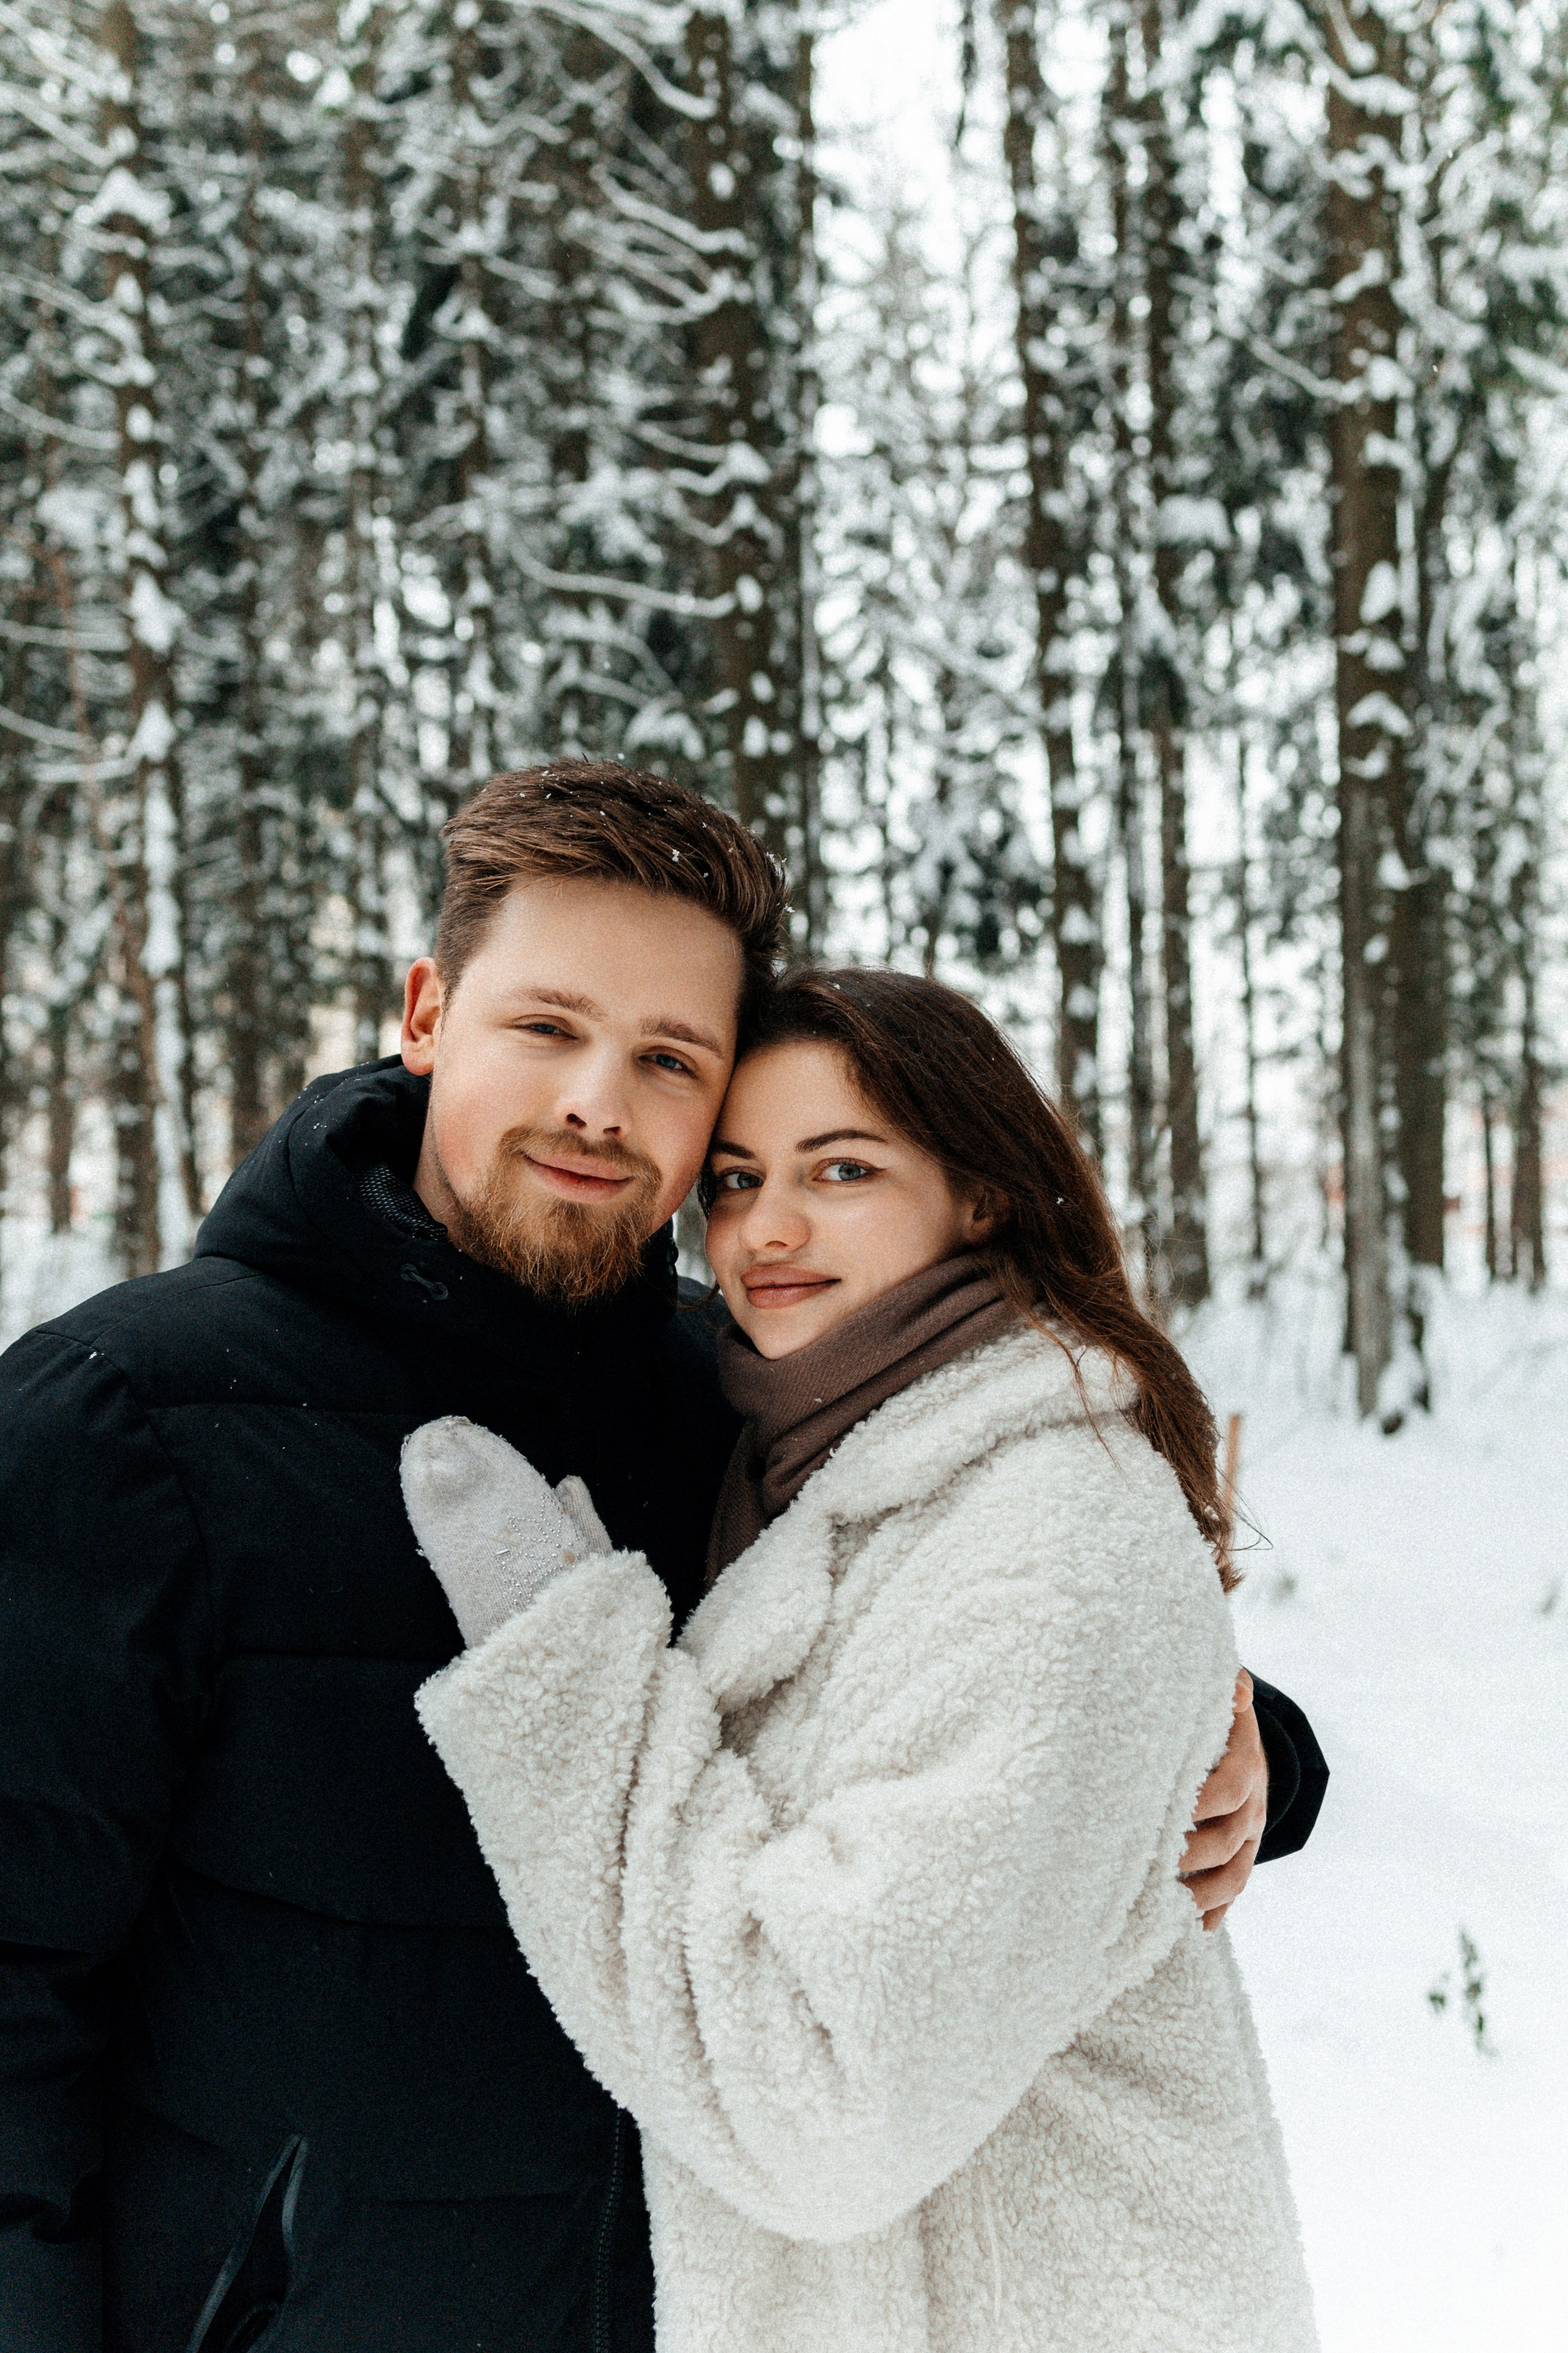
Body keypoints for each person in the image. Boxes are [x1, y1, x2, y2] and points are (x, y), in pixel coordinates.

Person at [0, 762, 1323, 2350]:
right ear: (426, 1013)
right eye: (546, 1026)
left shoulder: (739, 1407)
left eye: (669, 1058)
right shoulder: (125, 1421)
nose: (598, 1103)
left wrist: (1240, 1744)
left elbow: (962, 1669)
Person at [403, 967, 1320, 2352]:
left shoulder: (1048, 1520)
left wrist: (570, 1683)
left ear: (982, 1194)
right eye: (735, 1180)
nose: (766, 1228)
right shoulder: (804, 1451)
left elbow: (827, 2101)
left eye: (840, 1169)